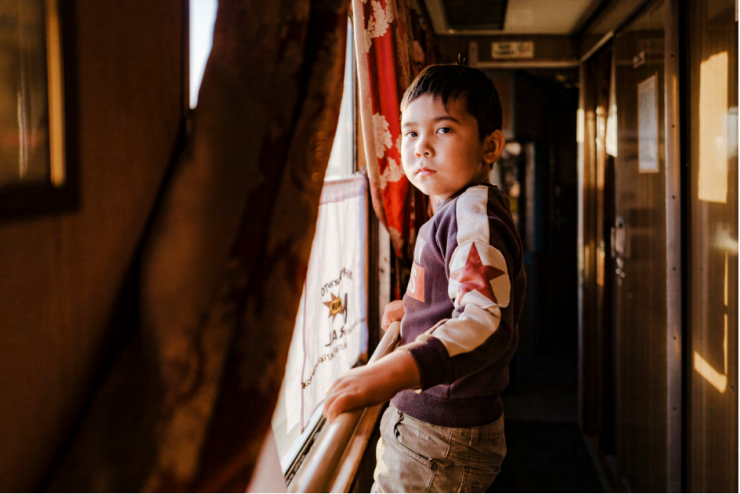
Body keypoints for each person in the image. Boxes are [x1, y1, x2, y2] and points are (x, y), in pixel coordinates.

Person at [323, 63, 527, 493]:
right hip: (434, 432)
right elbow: (459, 293)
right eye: (411, 133)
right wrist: (417, 309)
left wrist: (389, 373)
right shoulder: (456, 211)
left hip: (440, 439)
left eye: (444, 130)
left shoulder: (472, 216)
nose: (422, 148)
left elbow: (484, 322)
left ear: (490, 146)